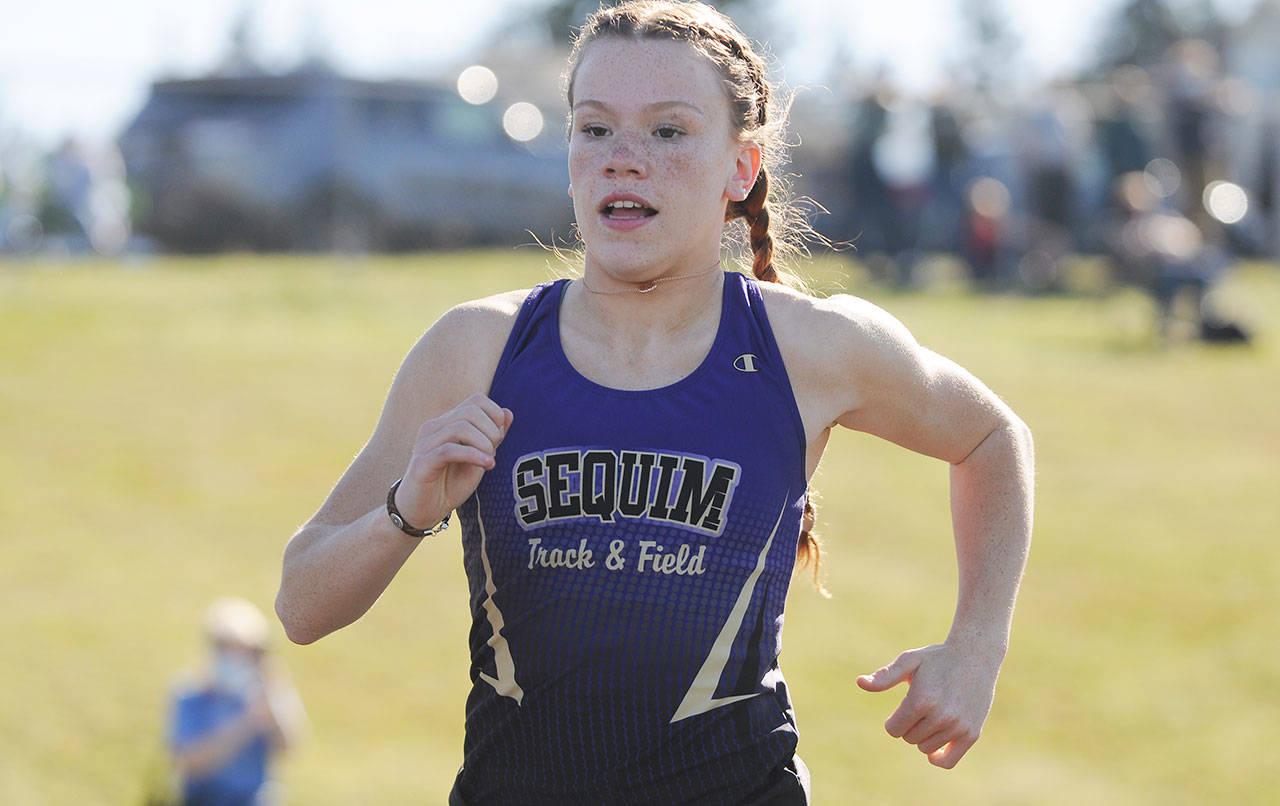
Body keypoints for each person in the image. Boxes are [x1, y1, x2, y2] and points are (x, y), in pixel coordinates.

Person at [274, 2, 1034, 802]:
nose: (623, 160)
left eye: (668, 132)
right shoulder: (478, 349)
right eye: (595, 129)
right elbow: (301, 604)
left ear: (740, 169)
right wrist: (408, 507)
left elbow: (990, 438)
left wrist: (977, 647)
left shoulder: (811, 347)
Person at [168, 597, 305, 805]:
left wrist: (271, 692)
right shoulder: (190, 693)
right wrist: (246, 724)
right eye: (224, 646)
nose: (234, 657)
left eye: (245, 650)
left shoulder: (267, 693)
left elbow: (289, 746)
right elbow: (188, 762)